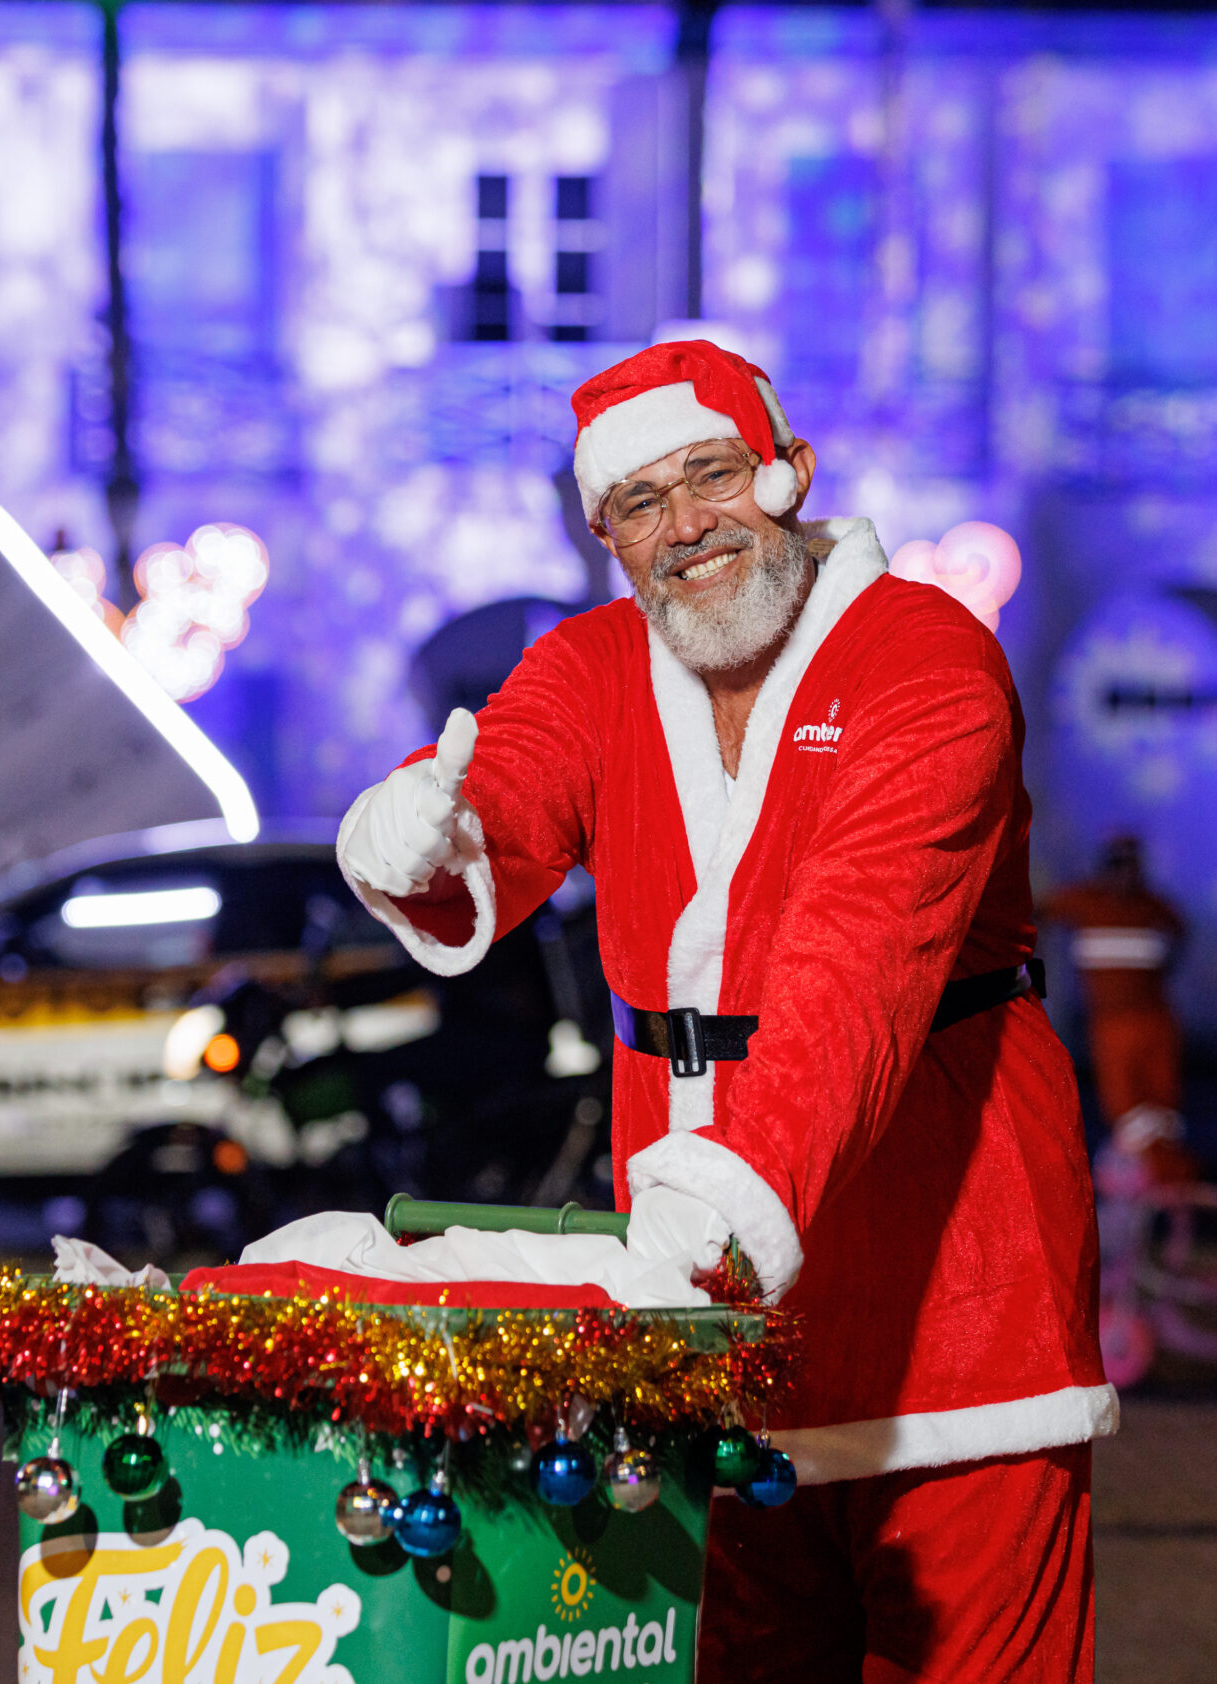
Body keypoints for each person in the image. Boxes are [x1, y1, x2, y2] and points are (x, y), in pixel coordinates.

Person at [335, 339, 1110, 1680]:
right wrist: (431, 826)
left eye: (711, 475)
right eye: (639, 501)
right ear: (603, 536)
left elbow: (861, 950)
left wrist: (713, 1216)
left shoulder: (929, 659)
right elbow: (506, 785)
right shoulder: (588, 668)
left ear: (789, 473)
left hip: (949, 1280)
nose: (685, 523)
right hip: (699, 1316)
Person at [1040, 833, 1196, 1183]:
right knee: (1126, 1114)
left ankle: (1168, 1186)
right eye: (1118, 865)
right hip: (1110, 1026)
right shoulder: (1083, 902)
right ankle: (1142, 1188)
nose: (1126, 875)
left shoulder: (1156, 909)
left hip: (1155, 1022)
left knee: (1163, 1113)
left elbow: (1179, 938)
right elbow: (1038, 913)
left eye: (1133, 866)